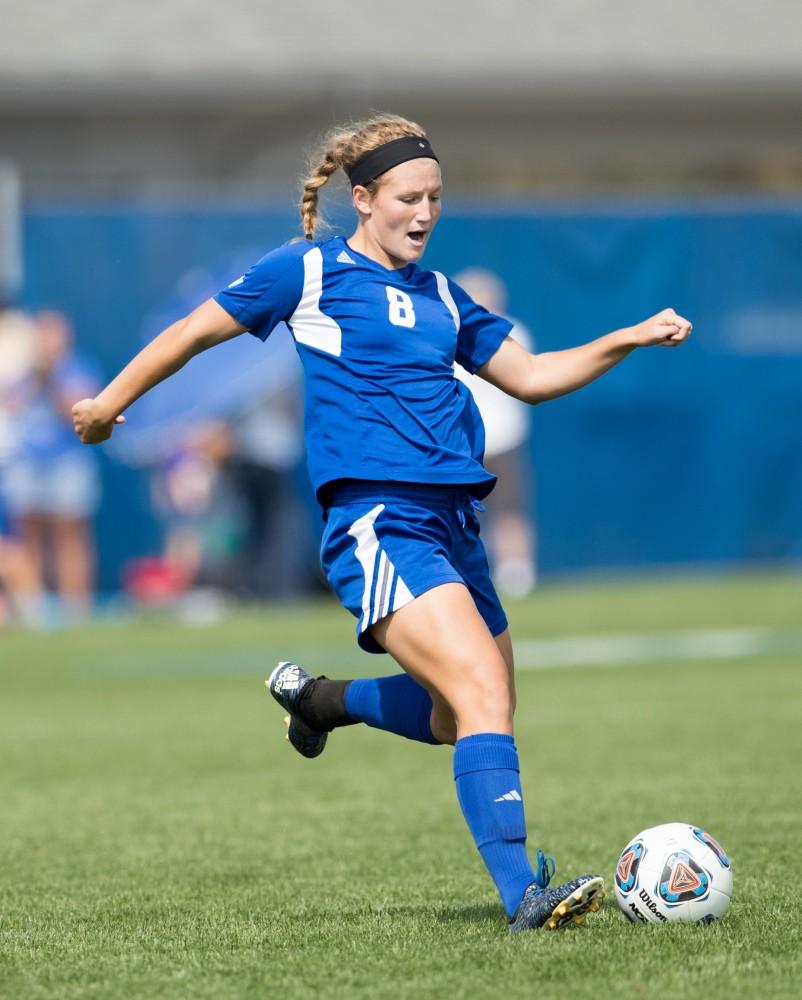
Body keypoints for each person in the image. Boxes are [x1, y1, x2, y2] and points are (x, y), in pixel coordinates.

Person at [72, 114, 692, 932]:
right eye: (408, 196)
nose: (425, 212)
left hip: (454, 521)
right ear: (362, 198)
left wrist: (632, 336)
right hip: (378, 519)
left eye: (435, 196)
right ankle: (524, 897)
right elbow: (194, 332)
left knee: (461, 711)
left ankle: (324, 701)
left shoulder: (442, 296)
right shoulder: (309, 271)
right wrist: (108, 404)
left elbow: (533, 376)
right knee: (479, 695)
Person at [5, 310, 101, 621]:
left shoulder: (78, 369)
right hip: (29, 462)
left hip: (67, 462)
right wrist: (36, 379)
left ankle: (76, 609)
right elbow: (13, 411)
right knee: (28, 537)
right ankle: (34, 611)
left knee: (70, 536)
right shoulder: (24, 375)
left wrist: (53, 379)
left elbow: (78, 414)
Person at [452, 267, 538, 596]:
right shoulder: (451, 334)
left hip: (504, 438)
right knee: (463, 513)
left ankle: (516, 570)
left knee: (510, 507)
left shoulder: (514, 333)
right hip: (465, 442)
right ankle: (469, 572)